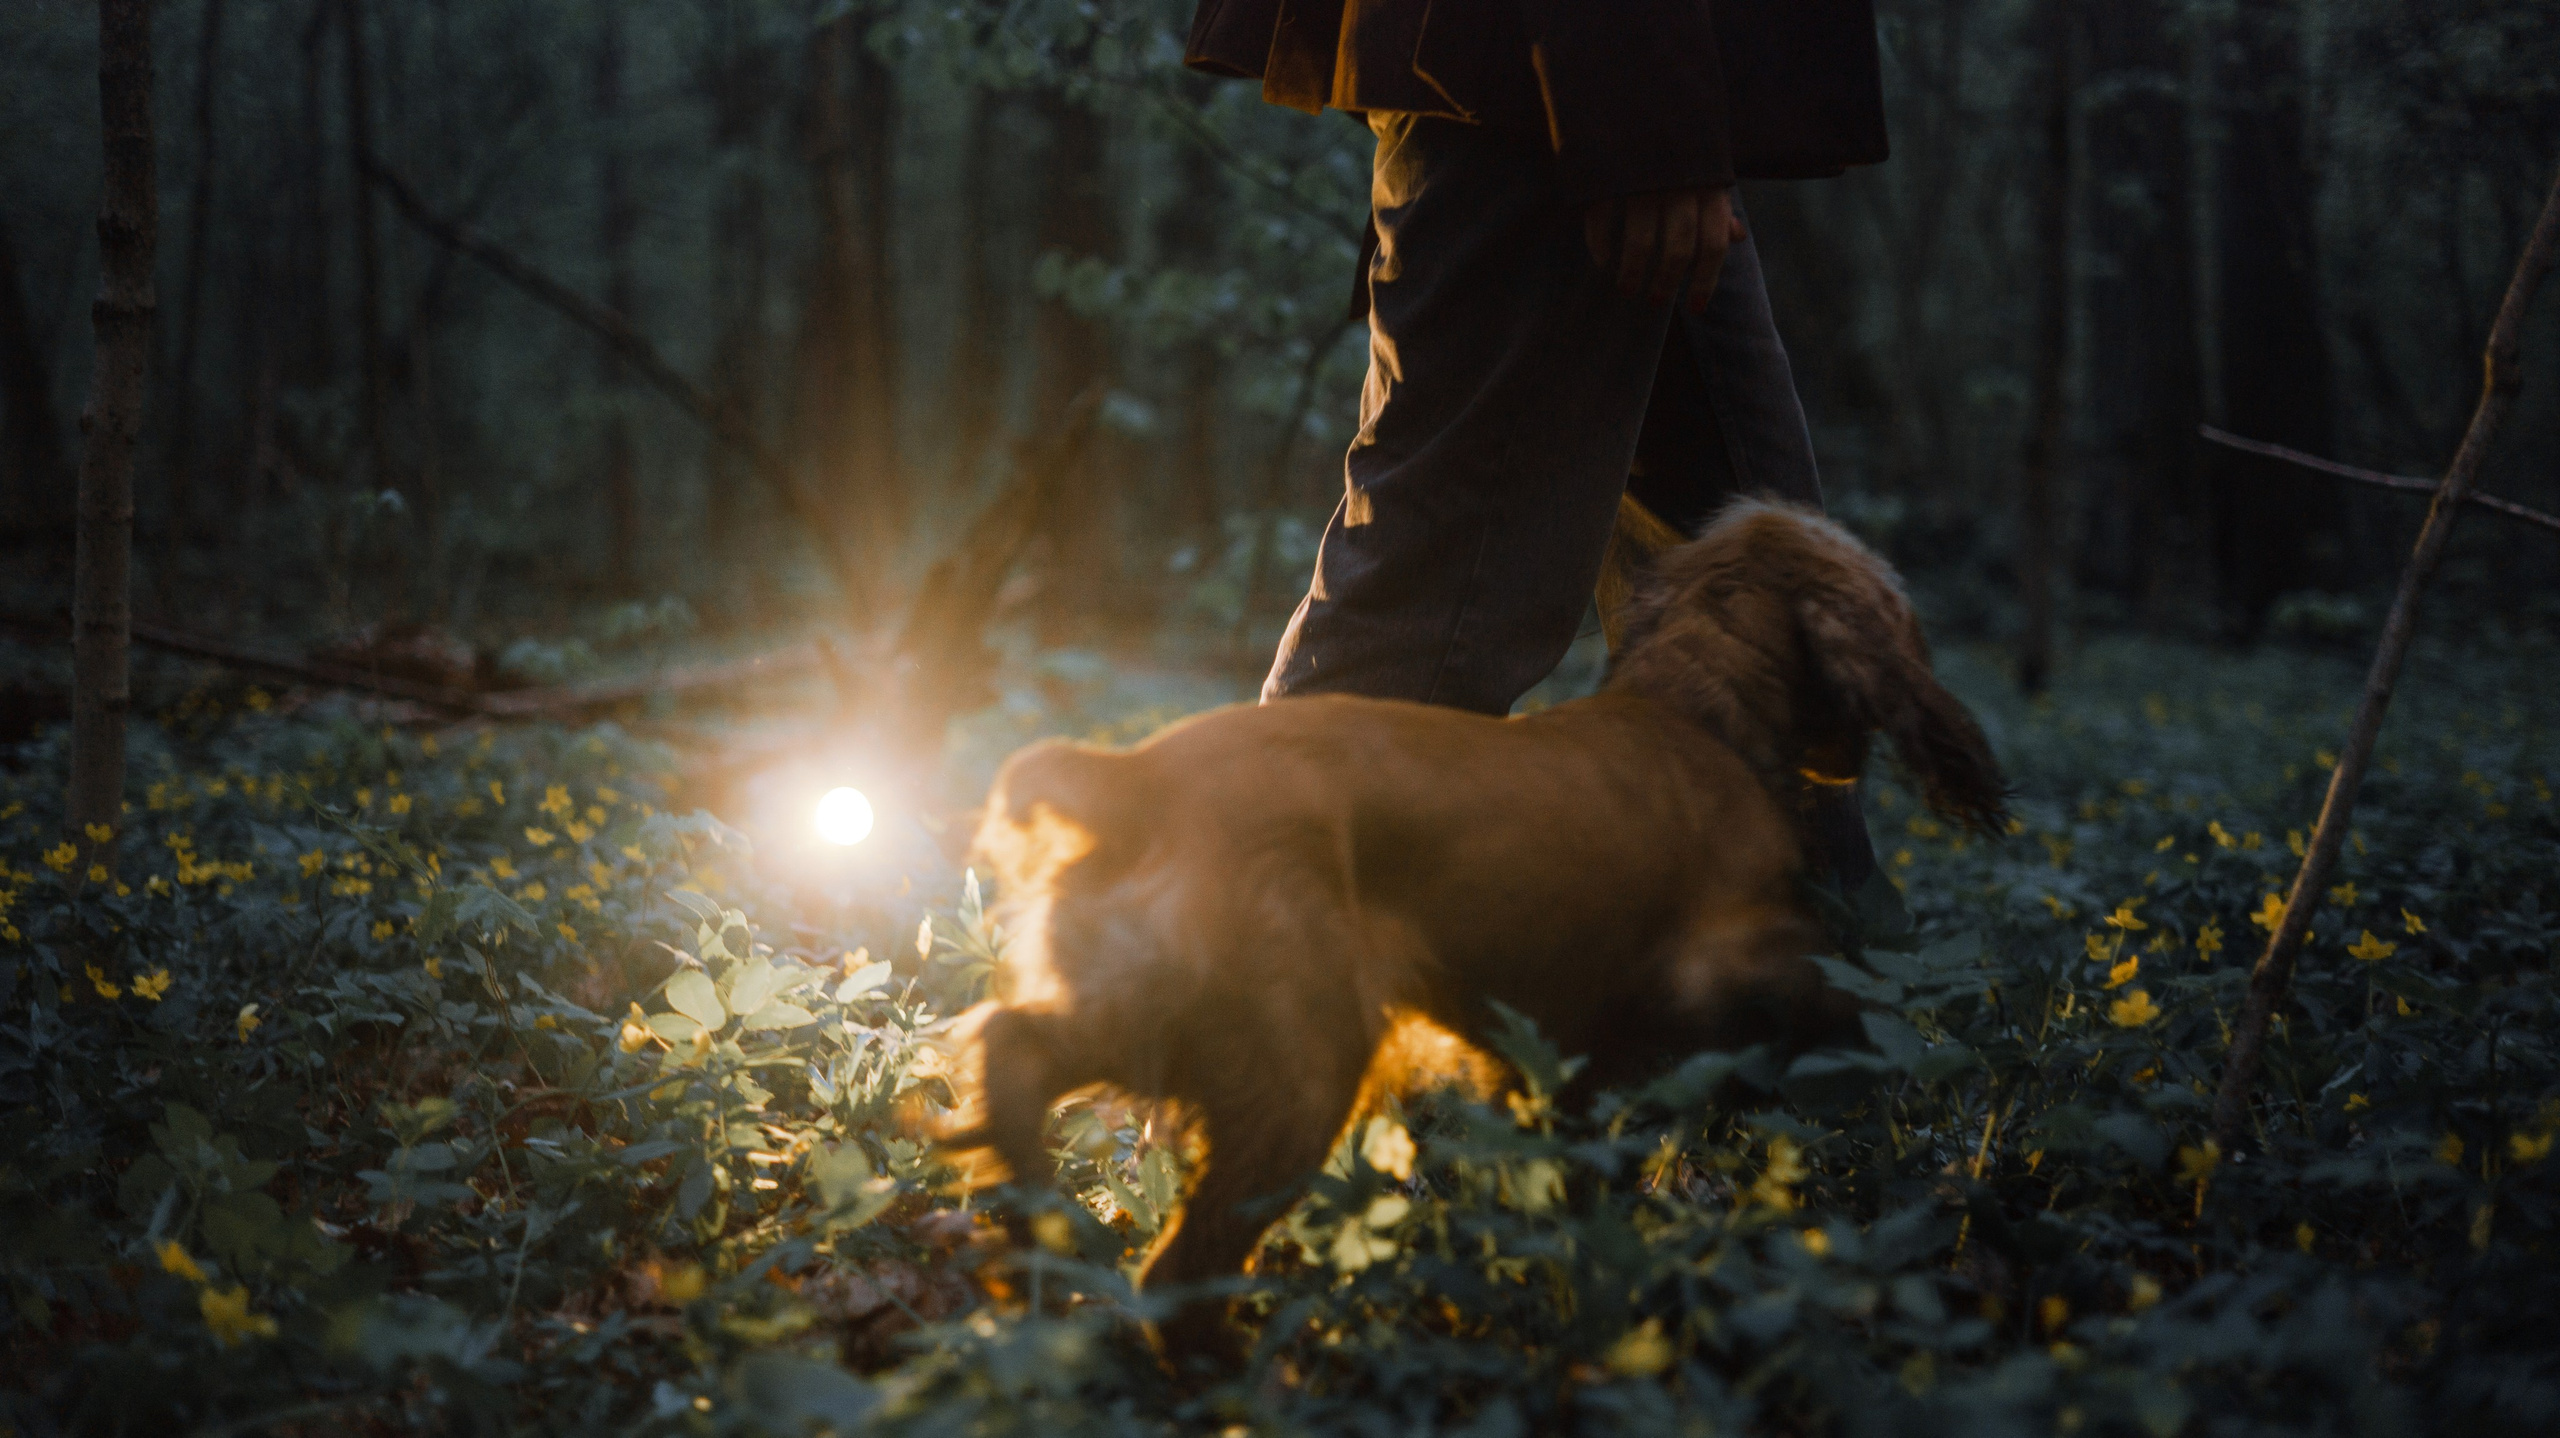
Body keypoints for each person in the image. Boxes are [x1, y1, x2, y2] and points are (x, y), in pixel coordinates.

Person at [1184, 0, 1896, 900]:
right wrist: (1638, 109)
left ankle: (1778, 1003)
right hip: (1566, 87)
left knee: (1760, 620)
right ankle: (1201, 983)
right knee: (1434, 601)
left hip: (1589, 89)